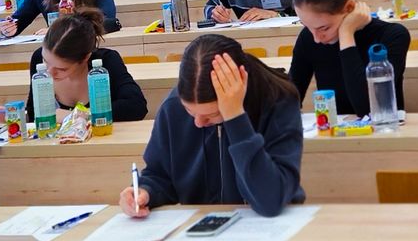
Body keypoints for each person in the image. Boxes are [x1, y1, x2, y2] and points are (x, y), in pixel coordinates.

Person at [119, 34, 305, 218]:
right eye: (190, 111)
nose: (198, 123)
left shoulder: (278, 101)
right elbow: (160, 175)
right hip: (203, 223)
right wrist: (146, 191)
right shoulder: (173, 106)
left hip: (270, 225)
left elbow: (271, 201)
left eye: (212, 115)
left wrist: (235, 118)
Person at [288, 0, 412, 117]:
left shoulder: (392, 36)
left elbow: (368, 109)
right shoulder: (308, 38)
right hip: (336, 131)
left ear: (349, 8)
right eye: (307, 26)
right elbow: (288, 101)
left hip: (385, 130)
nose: (316, 39)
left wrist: (346, 34)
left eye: (324, 28)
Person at [23, 8, 150, 123]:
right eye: (46, 62)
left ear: (85, 58)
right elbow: (34, 114)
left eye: (62, 69)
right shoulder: (38, 58)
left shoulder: (106, 61)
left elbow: (136, 106)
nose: (49, 72)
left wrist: (78, 115)